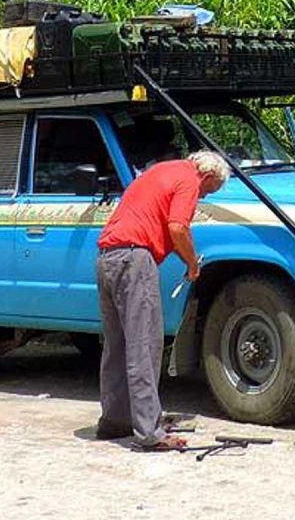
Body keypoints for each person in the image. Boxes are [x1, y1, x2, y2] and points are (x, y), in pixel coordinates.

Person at [93, 150, 231, 450]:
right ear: (207, 176)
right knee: (144, 345)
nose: (203, 197)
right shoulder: (189, 181)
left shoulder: (160, 170)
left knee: (116, 345)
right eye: (210, 191)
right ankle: (149, 432)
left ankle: (115, 421)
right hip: (134, 259)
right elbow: (178, 227)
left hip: (107, 257)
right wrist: (193, 263)